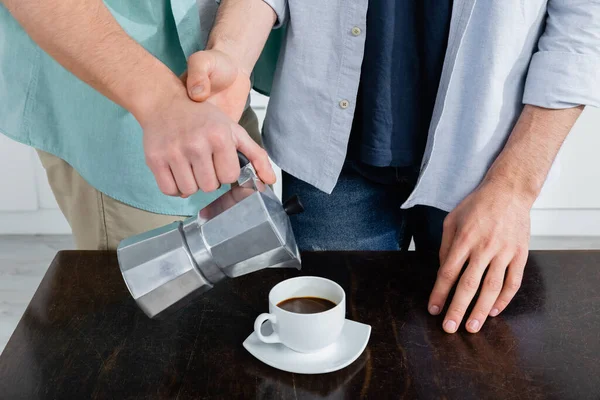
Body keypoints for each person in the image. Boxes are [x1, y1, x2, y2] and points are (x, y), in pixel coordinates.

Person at [193, 0, 600, 334]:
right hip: (332, 156)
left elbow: (583, 18)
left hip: (485, 169)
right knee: (328, 354)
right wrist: (229, 55)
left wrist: (515, 186)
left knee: (468, 362)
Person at [0, 0, 277, 250]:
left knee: (249, 274)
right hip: (119, 103)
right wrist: (160, 101)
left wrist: (234, 55)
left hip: (222, 76)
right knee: (156, 291)